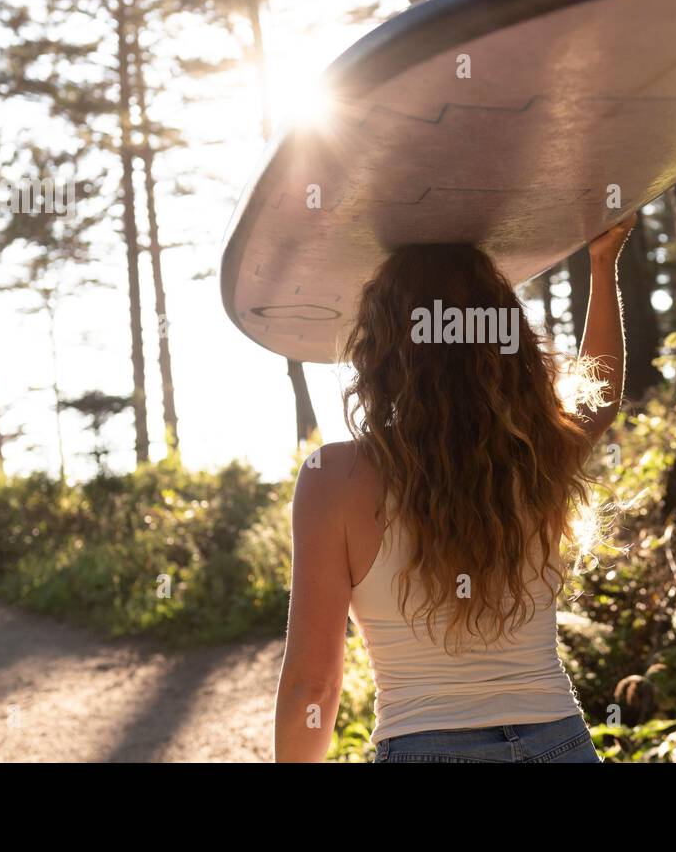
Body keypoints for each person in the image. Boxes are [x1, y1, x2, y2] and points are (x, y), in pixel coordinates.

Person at [272, 213, 637, 763]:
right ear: (505, 341)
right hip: (559, 744)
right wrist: (602, 263)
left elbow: (312, 687)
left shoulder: (335, 480)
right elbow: (600, 397)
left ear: (380, 351)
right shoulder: (536, 454)